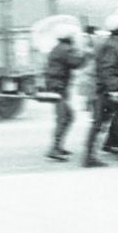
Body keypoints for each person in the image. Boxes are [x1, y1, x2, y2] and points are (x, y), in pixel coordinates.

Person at [41, 24, 89, 161]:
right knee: (64, 118)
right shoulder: (64, 49)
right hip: (58, 88)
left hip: (57, 86)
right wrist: (86, 53)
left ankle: (58, 146)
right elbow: (76, 63)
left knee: (66, 117)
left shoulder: (59, 48)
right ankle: (54, 149)